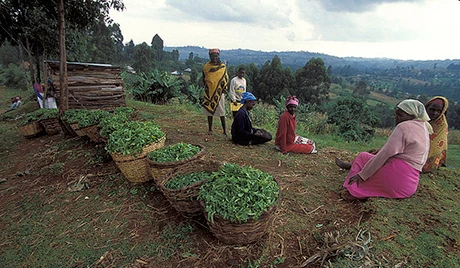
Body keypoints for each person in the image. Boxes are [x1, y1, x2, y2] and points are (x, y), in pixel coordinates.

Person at [335, 99, 431, 201]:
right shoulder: (424, 127)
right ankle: (352, 168)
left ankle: (353, 190)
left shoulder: (404, 126)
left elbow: (384, 155)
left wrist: (363, 175)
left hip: (395, 180)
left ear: (412, 116)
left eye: (400, 115)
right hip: (408, 188)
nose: (396, 118)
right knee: (370, 157)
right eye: (396, 114)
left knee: (363, 156)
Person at [201, 48, 229, 135]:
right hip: (209, 91)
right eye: (212, 56)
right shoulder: (206, 67)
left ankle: (224, 131)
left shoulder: (223, 67)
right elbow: (204, 78)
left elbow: (226, 78)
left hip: (219, 92)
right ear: (210, 56)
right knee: (209, 112)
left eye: (216, 56)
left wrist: (224, 88)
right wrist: (206, 86)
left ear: (218, 56)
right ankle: (210, 129)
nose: (214, 58)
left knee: (222, 112)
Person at [422, 96, 449, 173]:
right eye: (432, 110)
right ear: (426, 108)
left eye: (439, 111)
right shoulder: (419, 120)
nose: (435, 113)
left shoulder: (441, 125)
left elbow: (435, 146)